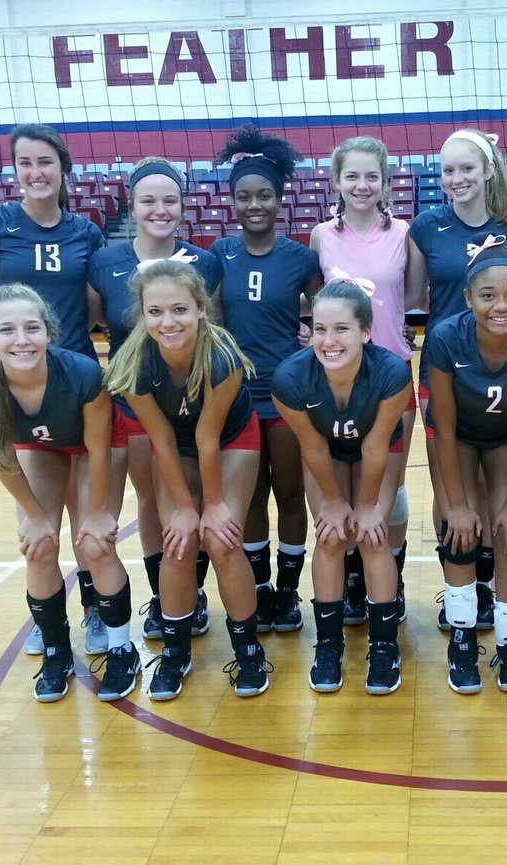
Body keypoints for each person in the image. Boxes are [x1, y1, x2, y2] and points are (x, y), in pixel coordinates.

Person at [0, 123, 111, 657]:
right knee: (38, 530)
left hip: (79, 386)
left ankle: (95, 613)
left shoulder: (86, 233)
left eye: (45, 162)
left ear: (63, 168)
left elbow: (96, 306)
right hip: (19, 389)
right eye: (25, 163)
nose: (36, 172)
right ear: (16, 170)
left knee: (90, 529)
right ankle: (51, 629)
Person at [0, 285, 137, 702]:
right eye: (7, 330)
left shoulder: (83, 374)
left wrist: (96, 514)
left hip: (96, 446)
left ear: (49, 333)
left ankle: (121, 649)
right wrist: (35, 516)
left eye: (32, 328)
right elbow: (3, 460)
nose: (21, 339)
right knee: (37, 546)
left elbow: (97, 447)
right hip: (41, 449)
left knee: (95, 545)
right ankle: (56, 650)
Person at [104, 259, 270, 699]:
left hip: (230, 439)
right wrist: (182, 509)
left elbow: (208, 437)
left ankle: (249, 650)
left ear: (200, 308)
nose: (167, 321)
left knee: (222, 539)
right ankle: (175, 653)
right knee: (176, 544)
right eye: (155, 312)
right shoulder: (134, 362)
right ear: (142, 316)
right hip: (174, 447)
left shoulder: (223, 358)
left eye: (178, 309)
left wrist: (211, 506)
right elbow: (160, 437)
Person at [89, 157, 222, 642]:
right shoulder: (104, 262)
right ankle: (164, 597)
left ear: (184, 208)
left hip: (191, 406)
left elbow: (215, 331)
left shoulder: (204, 263)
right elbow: (92, 325)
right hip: (135, 404)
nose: (159, 209)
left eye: (170, 200)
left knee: (196, 498)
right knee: (150, 502)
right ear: (132, 206)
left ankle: (194, 592)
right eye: (149, 200)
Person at [408, 129, 507, 632]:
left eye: (466, 168)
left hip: (506, 369)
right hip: (444, 370)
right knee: (452, 486)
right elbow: (416, 300)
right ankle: (462, 584)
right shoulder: (426, 226)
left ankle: (490, 582)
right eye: (447, 170)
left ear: (488, 170)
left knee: (494, 487)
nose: (456, 179)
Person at [424, 239, 507, 693]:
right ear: (468, 299)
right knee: (458, 532)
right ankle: (462, 640)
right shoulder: (444, 337)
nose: (501, 306)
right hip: (458, 436)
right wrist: (458, 506)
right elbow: (443, 428)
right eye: (488, 296)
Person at [210, 125, 324, 633]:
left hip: (287, 396)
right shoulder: (217, 256)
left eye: (264, 195)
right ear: (232, 202)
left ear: (280, 200)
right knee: (250, 498)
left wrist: (312, 336)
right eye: (244, 196)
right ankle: (257, 586)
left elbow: (328, 314)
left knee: (290, 493)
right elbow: (210, 326)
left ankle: (287, 591)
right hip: (235, 398)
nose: (254, 204)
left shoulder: (301, 258)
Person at [272, 280, 412, 693]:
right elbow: (313, 447)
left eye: (341, 329)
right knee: (331, 537)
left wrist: (368, 506)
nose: (328, 340)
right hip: (327, 452)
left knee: (373, 536)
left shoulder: (391, 372)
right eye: (319, 329)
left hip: (377, 448)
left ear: (366, 332)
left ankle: (384, 646)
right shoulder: (291, 377)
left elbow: (375, 446)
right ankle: (328, 644)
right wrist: (334, 502)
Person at [310, 136, 416, 625]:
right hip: (337, 386)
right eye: (351, 175)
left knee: (388, 496)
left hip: (392, 381)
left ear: (385, 182)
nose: (361, 184)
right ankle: (354, 581)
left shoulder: (404, 235)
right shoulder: (321, 237)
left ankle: (385, 583)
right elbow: (317, 304)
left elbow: (412, 301)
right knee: (347, 491)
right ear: (336, 182)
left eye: (371, 175)